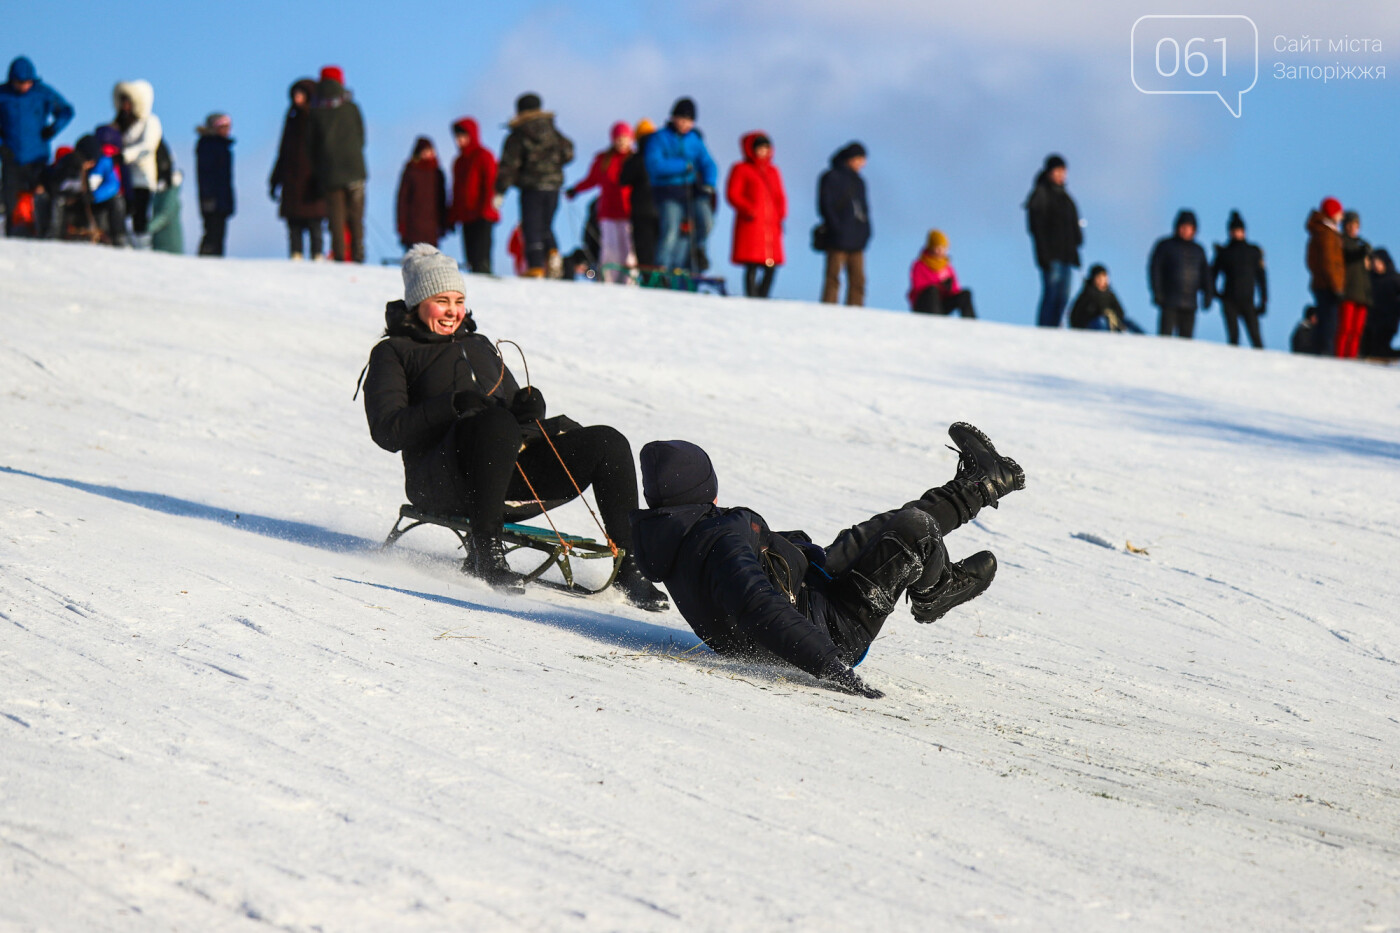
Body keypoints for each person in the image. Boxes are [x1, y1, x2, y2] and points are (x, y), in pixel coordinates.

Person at [361, 244, 667, 610]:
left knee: (607, 441)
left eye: (458, 300)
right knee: (493, 423)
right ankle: (486, 553)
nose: (453, 311)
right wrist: (451, 406)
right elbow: (387, 430)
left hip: (504, 473)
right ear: (417, 301)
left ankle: (629, 567)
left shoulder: (479, 345)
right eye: (441, 300)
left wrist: (528, 410)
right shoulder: (394, 351)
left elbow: (511, 420)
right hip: (443, 479)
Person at [629, 425, 1026, 699]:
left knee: (881, 530)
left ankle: (987, 481)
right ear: (704, 488)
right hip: (834, 627)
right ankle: (935, 591)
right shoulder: (719, 541)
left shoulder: (678, 536)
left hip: (815, 590)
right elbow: (756, 605)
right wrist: (830, 664)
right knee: (914, 528)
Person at [495, 93, 573, 278]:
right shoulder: (552, 129)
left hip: (531, 187)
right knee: (546, 225)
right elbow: (569, 152)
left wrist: (500, 190)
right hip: (553, 186)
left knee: (531, 226)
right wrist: (552, 165)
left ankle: (536, 266)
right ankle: (553, 252)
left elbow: (509, 165)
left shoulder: (519, 133)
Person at [0, 56, 73, 238]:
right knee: (10, 201)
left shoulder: (43, 93)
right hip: (11, 158)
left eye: (28, 82)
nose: (24, 86)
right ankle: (10, 236)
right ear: (12, 80)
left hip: (37, 158)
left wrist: (52, 129)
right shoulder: (2, 95)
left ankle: (45, 235)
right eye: (20, 82)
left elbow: (66, 111)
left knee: (41, 196)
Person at [646, 97, 718, 275]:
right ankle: (662, 269)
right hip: (667, 192)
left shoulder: (695, 139)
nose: (686, 124)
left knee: (705, 222)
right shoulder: (659, 138)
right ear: (674, 117)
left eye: (690, 121)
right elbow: (654, 165)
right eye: (683, 119)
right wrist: (683, 165)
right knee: (671, 231)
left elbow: (709, 163)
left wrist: (709, 183)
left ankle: (695, 255)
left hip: (692, 192)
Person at [308, 66, 367, 263]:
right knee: (356, 217)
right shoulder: (351, 107)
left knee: (337, 219)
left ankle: (340, 256)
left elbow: (311, 147)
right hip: (355, 168)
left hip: (330, 173)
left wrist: (320, 170)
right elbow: (362, 137)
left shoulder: (315, 112)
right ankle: (358, 255)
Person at [568, 121, 635, 283]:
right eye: (619, 138)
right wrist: (575, 190)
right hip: (607, 212)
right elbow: (591, 180)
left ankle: (630, 281)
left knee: (629, 249)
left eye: (625, 138)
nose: (622, 142)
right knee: (610, 249)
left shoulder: (634, 160)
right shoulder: (603, 160)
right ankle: (608, 281)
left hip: (628, 211)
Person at [270, 78, 326, 260]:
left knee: (314, 222)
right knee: (293, 222)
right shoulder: (291, 118)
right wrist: (275, 180)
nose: (297, 98)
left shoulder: (317, 118)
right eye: (295, 94)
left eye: (301, 94)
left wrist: (322, 179)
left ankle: (317, 254)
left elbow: (323, 150)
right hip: (292, 179)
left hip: (312, 181)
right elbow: (283, 150)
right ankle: (296, 254)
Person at [725, 131, 786, 298]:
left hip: (770, 225)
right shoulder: (741, 169)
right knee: (751, 263)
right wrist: (748, 209)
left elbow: (780, 196)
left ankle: (762, 296)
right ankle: (752, 296)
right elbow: (733, 193)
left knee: (770, 264)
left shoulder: (773, 171)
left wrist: (780, 215)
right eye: (760, 148)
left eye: (766, 148)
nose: (763, 151)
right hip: (751, 223)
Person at [1024, 154, 1081, 327]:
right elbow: (1036, 227)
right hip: (1051, 256)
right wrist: (1043, 254)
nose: (1060, 175)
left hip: (1067, 256)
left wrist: (1075, 247)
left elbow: (1074, 227)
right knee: (1051, 295)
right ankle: (1045, 329)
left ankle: (1056, 327)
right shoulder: (1041, 194)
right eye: (1057, 171)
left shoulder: (1066, 198)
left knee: (1063, 298)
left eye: (1063, 171)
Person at [817, 142, 871, 306]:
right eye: (860, 159)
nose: (862, 163)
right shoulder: (830, 177)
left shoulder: (859, 181)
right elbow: (825, 205)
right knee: (833, 276)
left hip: (857, 238)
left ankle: (856, 312)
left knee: (858, 280)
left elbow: (865, 209)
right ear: (850, 159)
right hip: (837, 237)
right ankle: (828, 308)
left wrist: (866, 231)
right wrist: (836, 227)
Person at [45, 135, 125, 245]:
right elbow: (53, 184)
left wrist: (94, 196)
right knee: (57, 201)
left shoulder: (104, 163)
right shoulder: (67, 164)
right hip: (72, 205)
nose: (90, 164)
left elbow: (113, 185)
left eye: (93, 162)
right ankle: (54, 236)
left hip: (94, 204)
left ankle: (118, 237)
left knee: (117, 200)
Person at [112, 79, 162, 247]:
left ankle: (143, 248)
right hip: (123, 178)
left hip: (143, 178)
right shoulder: (121, 124)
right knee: (123, 214)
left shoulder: (151, 122)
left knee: (140, 216)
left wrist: (125, 155)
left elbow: (148, 146)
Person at [1149, 210, 1211, 338]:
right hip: (1169, 301)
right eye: (1183, 227)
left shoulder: (1199, 250)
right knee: (1165, 339)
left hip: (1190, 304)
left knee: (1185, 343)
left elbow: (1206, 275)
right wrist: (1157, 293)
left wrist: (1208, 294)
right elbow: (1155, 271)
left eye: (1189, 228)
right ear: (1177, 227)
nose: (1186, 230)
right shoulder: (1165, 246)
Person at [448, 117, 499, 274]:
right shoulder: (459, 162)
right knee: (470, 259)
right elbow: (456, 190)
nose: (459, 141)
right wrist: (453, 215)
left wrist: (487, 209)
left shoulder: (484, 156)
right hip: (466, 216)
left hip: (483, 214)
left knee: (481, 258)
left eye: (463, 136)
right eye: (457, 137)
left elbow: (491, 183)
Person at [1211, 211, 1267, 348]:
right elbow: (1212, 274)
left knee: (1256, 338)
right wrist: (1216, 293)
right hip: (1229, 300)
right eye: (1234, 231)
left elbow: (1262, 278)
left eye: (1240, 230)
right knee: (1233, 338)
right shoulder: (1224, 252)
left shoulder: (1253, 252)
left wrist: (1264, 300)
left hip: (1248, 301)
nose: (1237, 233)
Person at [1306, 197, 1346, 357]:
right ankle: (1325, 353)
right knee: (1329, 323)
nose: (1341, 216)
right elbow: (1330, 262)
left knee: (1325, 320)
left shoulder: (1323, 232)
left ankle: (1321, 351)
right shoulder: (1327, 234)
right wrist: (1336, 286)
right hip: (1328, 285)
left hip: (1321, 283)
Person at [907, 229, 974, 317]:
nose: (940, 251)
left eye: (943, 248)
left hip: (942, 305)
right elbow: (918, 288)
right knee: (932, 291)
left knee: (965, 294)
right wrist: (940, 286)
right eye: (938, 247)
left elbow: (955, 290)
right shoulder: (919, 265)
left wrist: (949, 288)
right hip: (924, 305)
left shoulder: (947, 268)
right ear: (931, 247)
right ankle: (938, 323)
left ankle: (970, 323)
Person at [396, 136, 448, 251]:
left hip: (432, 229)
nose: (427, 154)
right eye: (424, 151)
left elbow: (442, 200)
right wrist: (402, 224)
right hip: (412, 228)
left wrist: (444, 223)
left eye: (429, 151)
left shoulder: (437, 173)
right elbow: (402, 200)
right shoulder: (410, 171)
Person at [619, 119, 659, 268]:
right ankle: (659, 280)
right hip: (658, 207)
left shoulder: (637, 159)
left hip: (641, 210)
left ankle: (648, 279)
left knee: (644, 249)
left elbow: (623, 179)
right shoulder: (660, 156)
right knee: (657, 247)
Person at [195, 112, 234, 256]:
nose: (227, 130)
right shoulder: (208, 145)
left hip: (222, 199)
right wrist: (208, 197)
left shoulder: (224, 147)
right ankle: (205, 264)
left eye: (228, 126)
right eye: (223, 126)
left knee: (219, 235)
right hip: (211, 199)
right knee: (211, 233)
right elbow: (205, 175)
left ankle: (216, 264)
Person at [1337, 211, 1372, 360]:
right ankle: (1339, 356)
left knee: (1357, 330)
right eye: (1350, 224)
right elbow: (1348, 257)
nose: (1353, 228)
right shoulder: (1341, 242)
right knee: (1345, 328)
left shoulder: (1362, 244)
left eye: (1355, 225)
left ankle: (1351, 357)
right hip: (1348, 292)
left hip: (1362, 294)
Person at [1068, 265, 1142, 332]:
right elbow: (1077, 315)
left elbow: (1120, 312)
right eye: (1099, 278)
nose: (1102, 281)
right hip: (1091, 326)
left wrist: (1111, 315)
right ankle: (1105, 340)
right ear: (1093, 278)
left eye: (1104, 277)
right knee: (1100, 321)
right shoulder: (1087, 294)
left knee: (1128, 322)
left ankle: (1145, 339)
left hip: (1110, 323)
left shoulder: (1110, 294)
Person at [1360, 249, 1400, 359]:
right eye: (1373, 263)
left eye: (1379, 262)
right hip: (1370, 321)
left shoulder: (1395, 278)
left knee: (1381, 349)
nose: (1376, 265)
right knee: (1367, 349)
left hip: (1388, 322)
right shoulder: (1368, 279)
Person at [147, 138, 183, 254]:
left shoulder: (170, 190)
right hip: (159, 243)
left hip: (169, 245)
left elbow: (165, 215)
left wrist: (145, 229)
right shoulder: (161, 188)